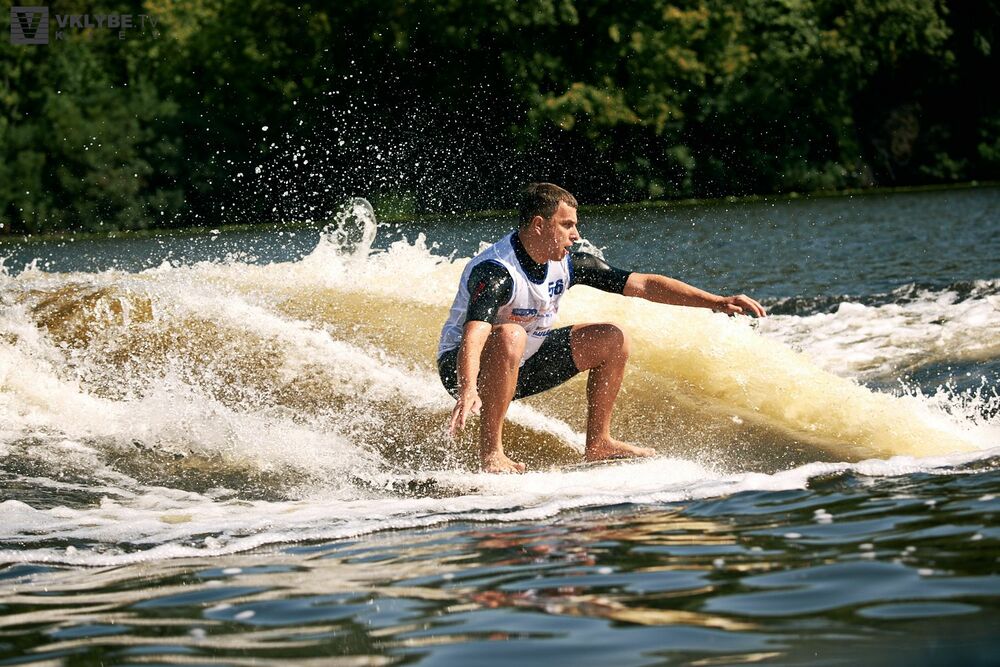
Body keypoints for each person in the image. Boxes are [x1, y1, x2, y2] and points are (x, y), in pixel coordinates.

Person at [438, 183, 767, 473]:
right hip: (466, 369)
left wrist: (716, 301)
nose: (576, 235)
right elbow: (475, 332)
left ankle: (599, 443)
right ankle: (492, 454)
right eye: (567, 225)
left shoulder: (568, 262)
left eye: (575, 226)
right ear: (539, 225)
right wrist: (468, 388)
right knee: (511, 333)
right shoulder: (497, 270)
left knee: (611, 338)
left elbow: (645, 285)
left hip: (523, 362)